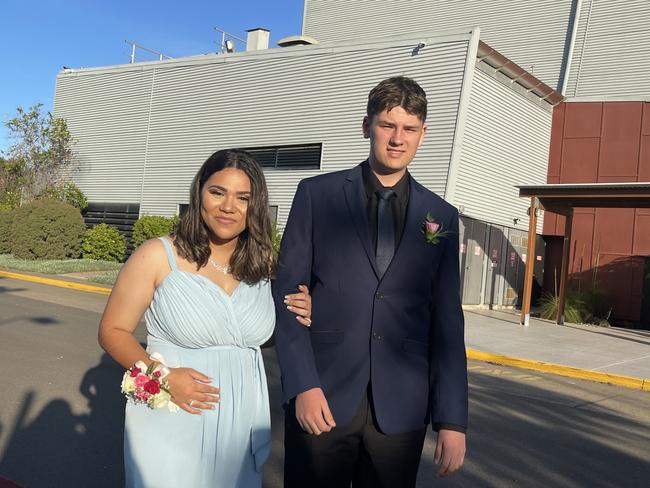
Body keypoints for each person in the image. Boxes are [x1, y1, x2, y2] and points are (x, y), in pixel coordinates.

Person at [273, 76, 468, 488]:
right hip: (322, 398)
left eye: (409, 129)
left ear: (422, 134)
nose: (398, 139)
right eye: (387, 125)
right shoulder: (316, 195)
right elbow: (288, 292)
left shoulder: (441, 217)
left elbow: (447, 322)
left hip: (401, 411)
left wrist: (452, 420)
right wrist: (302, 385)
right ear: (367, 126)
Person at [99, 149, 312, 488]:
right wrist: (164, 376)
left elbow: (263, 333)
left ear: (254, 208)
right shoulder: (158, 255)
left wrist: (302, 310)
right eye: (218, 192)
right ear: (199, 193)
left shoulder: (261, 268)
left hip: (240, 425)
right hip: (177, 411)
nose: (229, 206)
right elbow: (113, 330)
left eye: (243, 198)